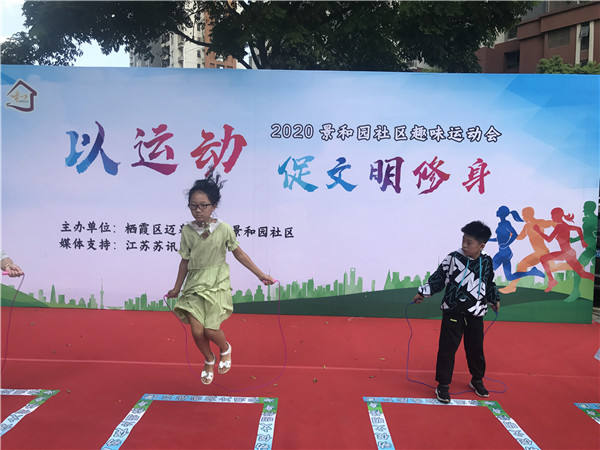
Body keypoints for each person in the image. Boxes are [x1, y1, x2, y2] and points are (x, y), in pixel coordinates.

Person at [166, 172, 275, 385]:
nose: (198, 210)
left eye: (203, 205)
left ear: (214, 206)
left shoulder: (224, 229)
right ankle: (209, 359)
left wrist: (261, 274)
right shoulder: (187, 231)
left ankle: (225, 348)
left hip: (217, 283)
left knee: (210, 329)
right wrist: (176, 288)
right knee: (197, 331)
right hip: (194, 285)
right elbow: (184, 261)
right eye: (193, 206)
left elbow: (239, 254)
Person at [412, 220, 500, 404]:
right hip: (453, 311)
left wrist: (494, 299)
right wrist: (422, 293)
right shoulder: (452, 259)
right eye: (463, 240)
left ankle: (477, 380)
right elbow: (438, 278)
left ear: (481, 246)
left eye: (469, 242)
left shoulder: (487, 262)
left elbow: (489, 282)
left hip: (476, 313)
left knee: (476, 348)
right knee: (447, 349)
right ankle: (443, 385)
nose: (464, 245)